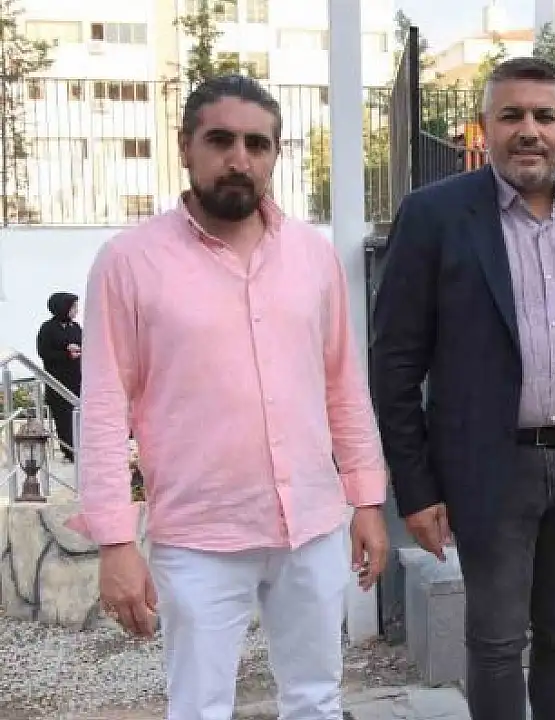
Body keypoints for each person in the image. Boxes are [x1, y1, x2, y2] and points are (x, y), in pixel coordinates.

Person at [66, 74, 389, 720]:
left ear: (274, 154)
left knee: (316, 699)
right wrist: (115, 542)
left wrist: (367, 501)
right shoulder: (129, 263)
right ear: (185, 146)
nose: (240, 159)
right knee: (199, 707)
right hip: (200, 535)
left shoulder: (312, 256)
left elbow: (343, 384)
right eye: (220, 140)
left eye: (257, 144)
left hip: (312, 524)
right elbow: (101, 408)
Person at [370, 56, 555, 720]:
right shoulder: (434, 215)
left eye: (545, 116)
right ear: (484, 126)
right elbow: (395, 363)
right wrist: (417, 488)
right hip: (489, 470)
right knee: (494, 642)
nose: (529, 130)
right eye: (511, 115)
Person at [36, 291, 82, 461]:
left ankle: (83, 450)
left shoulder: (75, 327)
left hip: (78, 380)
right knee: (64, 419)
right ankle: (70, 451)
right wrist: (66, 354)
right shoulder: (47, 328)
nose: (76, 310)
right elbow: (44, 353)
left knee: (80, 417)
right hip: (58, 381)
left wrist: (78, 350)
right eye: (73, 307)